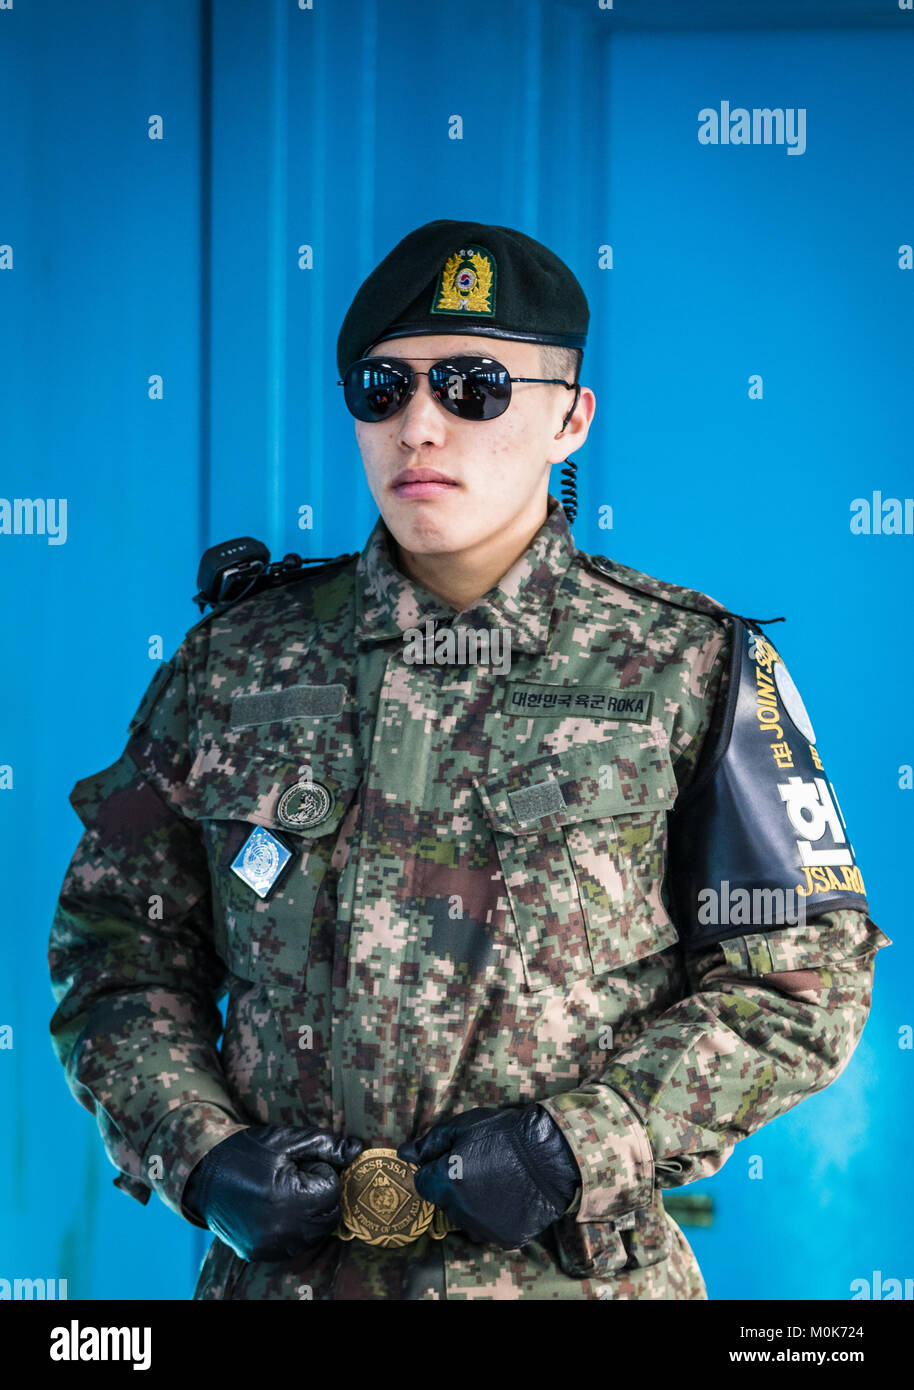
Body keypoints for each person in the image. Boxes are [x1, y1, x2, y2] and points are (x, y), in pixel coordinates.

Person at [48, 219, 890, 1301]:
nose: (419, 427)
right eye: (380, 388)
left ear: (568, 418)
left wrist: (581, 1141)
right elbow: (116, 955)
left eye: (472, 386)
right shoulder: (233, 664)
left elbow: (801, 981)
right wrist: (199, 1153)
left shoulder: (691, 667)